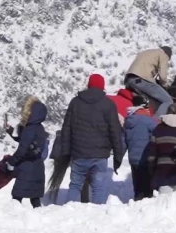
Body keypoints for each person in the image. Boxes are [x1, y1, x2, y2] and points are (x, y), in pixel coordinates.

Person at [50, 74, 125, 205]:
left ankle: (70, 211)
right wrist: (118, 157)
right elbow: (115, 132)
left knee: (75, 185)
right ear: (102, 87)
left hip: (79, 154)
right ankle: (97, 217)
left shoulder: (75, 102)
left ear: (88, 85)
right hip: (100, 155)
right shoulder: (108, 104)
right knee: (98, 187)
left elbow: (66, 129)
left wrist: (67, 152)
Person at [2, 95, 50, 207]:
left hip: (27, 169)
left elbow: (22, 150)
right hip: (38, 168)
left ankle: (12, 220)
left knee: (17, 197)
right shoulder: (39, 128)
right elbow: (28, 144)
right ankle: (39, 219)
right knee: (35, 198)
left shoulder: (29, 129)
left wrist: (11, 163)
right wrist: (12, 133)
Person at [122, 94, 158, 200]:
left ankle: (137, 203)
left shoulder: (127, 121)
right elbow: (159, 131)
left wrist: (117, 159)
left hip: (133, 158)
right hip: (145, 158)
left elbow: (123, 142)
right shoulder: (147, 120)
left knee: (137, 186)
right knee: (147, 187)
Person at [123, 46, 175, 116]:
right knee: (168, 100)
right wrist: (165, 85)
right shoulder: (163, 54)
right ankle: (156, 121)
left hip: (129, 80)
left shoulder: (146, 52)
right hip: (141, 80)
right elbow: (162, 76)